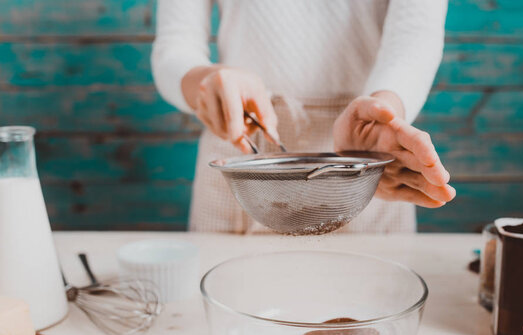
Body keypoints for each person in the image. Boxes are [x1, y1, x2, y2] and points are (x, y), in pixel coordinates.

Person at [151, 0, 455, 233]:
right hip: (243, 154)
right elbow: (176, 44)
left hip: (361, 160)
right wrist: (205, 80)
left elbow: (415, 33)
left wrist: (385, 110)